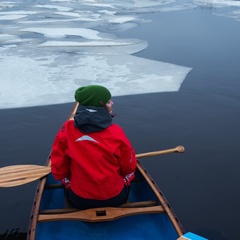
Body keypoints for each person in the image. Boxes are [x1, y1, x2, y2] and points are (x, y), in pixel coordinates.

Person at [51, 85, 137, 210]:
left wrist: (66, 181)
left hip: (79, 200)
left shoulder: (67, 130)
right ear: (101, 105)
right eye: (108, 101)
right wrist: (126, 178)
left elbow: (58, 165)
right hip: (115, 198)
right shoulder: (116, 132)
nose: (112, 103)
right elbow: (129, 167)